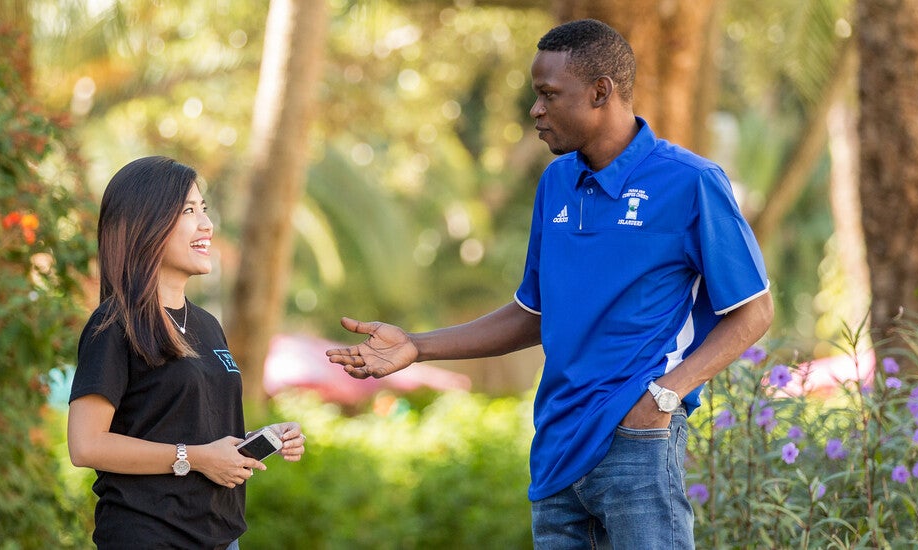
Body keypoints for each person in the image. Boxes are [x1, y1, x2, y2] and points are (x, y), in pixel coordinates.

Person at [326, 19, 772, 549]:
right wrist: (418, 346)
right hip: (556, 448)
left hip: (637, 444)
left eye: (547, 95)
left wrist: (664, 396)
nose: (535, 110)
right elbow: (534, 313)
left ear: (600, 91)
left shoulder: (689, 181)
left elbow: (753, 311)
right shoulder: (556, 182)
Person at [68, 156, 306, 549]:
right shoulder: (113, 325)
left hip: (221, 538)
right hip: (149, 537)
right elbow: (86, 444)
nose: (207, 225)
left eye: (205, 210)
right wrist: (194, 458)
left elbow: (193, 432)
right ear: (148, 224)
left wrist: (256, 441)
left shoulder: (208, 325)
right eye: (188, 211)